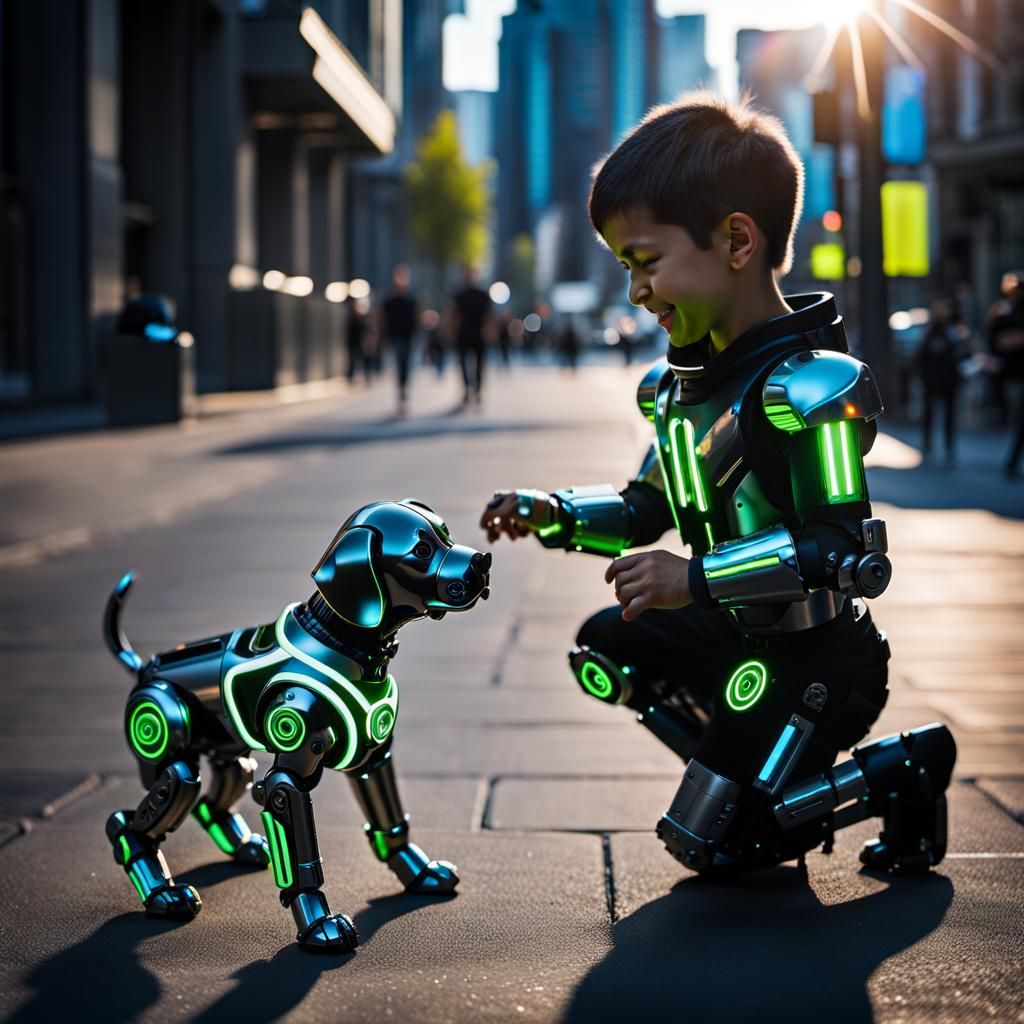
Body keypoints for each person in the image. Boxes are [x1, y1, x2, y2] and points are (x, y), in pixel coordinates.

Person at [479, 93, 954, 877]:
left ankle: (906, 767)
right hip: (738, 638)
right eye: (627, 267)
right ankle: (750, 765)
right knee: (608, 646)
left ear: (737, 239)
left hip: (821, 659)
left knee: (725, 844)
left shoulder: (812, 391)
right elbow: (642, 509)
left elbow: (842, 551)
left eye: (646, 261)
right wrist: (552, 514)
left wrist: (694, 577)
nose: (638, 291)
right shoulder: (680, 393)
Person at [916, 299, 969, 464]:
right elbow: (922, 357)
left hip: (948, 380)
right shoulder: (930, 333)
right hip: (932, 380)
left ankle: (948, 445)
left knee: (948, 414)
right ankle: (928, 443)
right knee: (930, 413)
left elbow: (961, 353)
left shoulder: (953, 332)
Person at [988, 272, 1024, 476]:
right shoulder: (1002, 312)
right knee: (1018, 418)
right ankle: (1012, 462)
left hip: (1013, 373)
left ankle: (1012, 461)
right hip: (1012, 374)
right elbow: (998, 342)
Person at [379, 264, 419, 416]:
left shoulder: (411, 299)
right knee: (398, 364)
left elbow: (416, 318)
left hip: (408, 337)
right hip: (394, 337)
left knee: (406, 365)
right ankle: (401, 390)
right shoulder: (389, 301)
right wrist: (381, 337)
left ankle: (403, 388)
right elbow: (382, 320)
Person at [451, 266, 493, 407]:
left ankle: (477, 389)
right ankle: (468, 389)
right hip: (464, 334)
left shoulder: (482, 295)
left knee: (479, 364)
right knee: (464, 363)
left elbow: (488, 316)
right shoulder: (460, 295)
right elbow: (454, 315)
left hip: (477, 334)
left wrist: (490, 330)